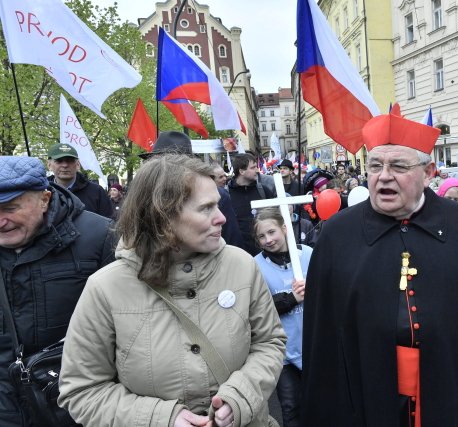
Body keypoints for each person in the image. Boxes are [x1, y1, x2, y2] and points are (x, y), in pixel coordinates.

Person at [302, 107, 458, 426]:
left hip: (451, 395)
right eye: (375, 165)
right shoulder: (337, 235)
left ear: (429, 172)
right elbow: (322, 343)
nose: (383, 176)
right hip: (368, 398)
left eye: (398, 165)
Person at [58, 154, 286, 426]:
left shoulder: (242, 266)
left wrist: (241, 397)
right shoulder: (105, 289)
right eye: (206, 208)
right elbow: (83, 391)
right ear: (163, 216)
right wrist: (161, 419)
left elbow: (269, 342)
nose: (222, 218)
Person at [0, 156, 114, 426]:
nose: (0, 221)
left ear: (45, 199)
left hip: (76, 406)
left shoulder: (101, 237)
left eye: (9, 208)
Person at [253, 207, 312, 427]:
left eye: (272, 232)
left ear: (284, 228)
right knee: (291, 407)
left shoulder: (307, 254)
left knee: (320, 403)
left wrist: (314, 288)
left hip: (314, 346)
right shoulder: (255, 265)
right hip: (283, 353)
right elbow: (258, 309)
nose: (268, 240)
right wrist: (291, 299)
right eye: (261, 236)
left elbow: (332, 291)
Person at [142, 131, 244, 250]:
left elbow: (233, 241)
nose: (165, 169)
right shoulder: (143, 199)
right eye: (159, 162)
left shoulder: (216, 195)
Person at [47, 143, 114, 218]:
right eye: (59, 161)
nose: (65, 165)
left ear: (78, 164)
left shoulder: (97, 192)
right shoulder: (42, 192)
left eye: (70, 161)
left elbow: (109, 224)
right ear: (49, 165)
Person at [228, 153, 276, 255]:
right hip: (238, 253)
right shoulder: (226, 194)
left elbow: (275, 216)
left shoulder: (263, 190)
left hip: (265, 251)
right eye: (253, 167)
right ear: (241, 171)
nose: (257, 170)